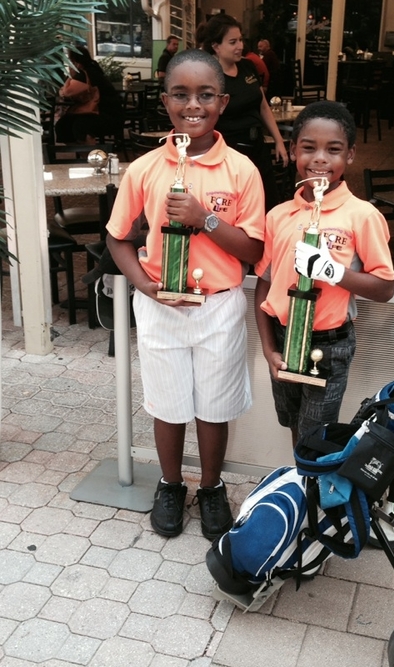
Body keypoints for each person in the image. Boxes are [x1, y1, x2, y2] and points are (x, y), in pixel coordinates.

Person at [106, 49, 266, 540]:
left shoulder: (241, 170)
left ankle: (212, 487)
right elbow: (117, 237)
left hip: (217, 304)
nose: (191, 105)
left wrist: (206, 218)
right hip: (160, 306)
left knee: (213, 405)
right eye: (180, 94)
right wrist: (143, 284)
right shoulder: (146, 168)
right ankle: (171, 484)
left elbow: (254, 248)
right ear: (165, 100)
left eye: (203, 95)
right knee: (167, 402)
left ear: (221, 101)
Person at [254, 101, 394, 446]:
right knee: (293, 425)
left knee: (316, 435)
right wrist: (268, 348)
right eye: (308, 148)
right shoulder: (278, 215)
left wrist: (332, 271)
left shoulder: (361, 215)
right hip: (283, 337)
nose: (319, 159)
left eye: (333, 150)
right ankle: (304, 488)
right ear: (292, 151)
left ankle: (315, 494)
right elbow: (265, 285)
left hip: (329, 346)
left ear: (349, 155)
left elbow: (384, 287)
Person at [200, 15, 288, 212]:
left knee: (269, 204)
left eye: (240, 39)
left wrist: (279, 140)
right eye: (233, 42)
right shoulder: (209, 76)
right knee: (239, 208)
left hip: (258, 146)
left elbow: (263, 105)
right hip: (230, 151)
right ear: (216, 46)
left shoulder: (248, 66)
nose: (240, 45)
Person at [55, 46, 124, 144]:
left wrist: (71, 75)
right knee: (64, 124)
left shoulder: (85, 74)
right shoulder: (93, 69)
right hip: (110, 114)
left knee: (80, 126)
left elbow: (66, 92)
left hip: (106, 116)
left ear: (75, 61)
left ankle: (91, 155)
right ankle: (84, 154)